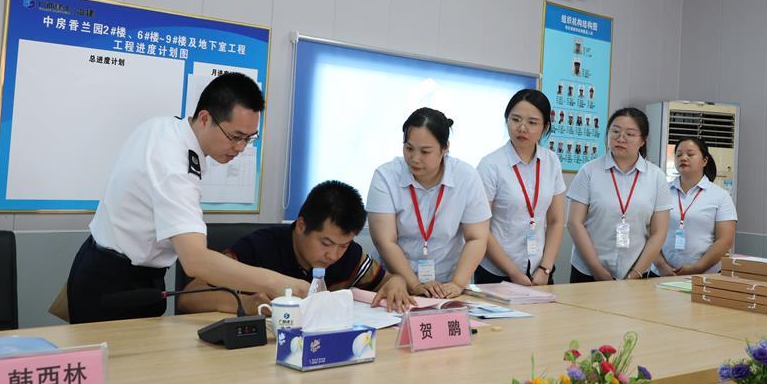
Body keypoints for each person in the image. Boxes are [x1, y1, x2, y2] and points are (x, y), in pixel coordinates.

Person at [66, 72, 299, 324]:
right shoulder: (174, 166)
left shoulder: (165, 127)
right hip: (117, 283)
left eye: (249, 138)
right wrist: (278, 283)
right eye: (235, 137)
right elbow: (196, 261)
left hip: (108, 264)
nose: (241, 148)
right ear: (205, 118)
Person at [178, 181, 416, 314]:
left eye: (343, 245)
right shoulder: (258, 248)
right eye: (325, 243)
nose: (333, 255)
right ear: (301, 225)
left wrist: (397, 282)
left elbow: (387, 281)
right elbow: (188, 298)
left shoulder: (350, 256)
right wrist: (245, 305)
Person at [367, 108, 490, 299]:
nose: (415, 158)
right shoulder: (386, 176)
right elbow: (385, 241)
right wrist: (415, 285)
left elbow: (477, 237)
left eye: (425, 151)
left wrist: (457, 284)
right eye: (409, 148)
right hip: (395, 284)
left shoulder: (466, 177)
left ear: (445, 148)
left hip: (447, 283)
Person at [567, 107, 671, 282]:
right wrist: (596, 269)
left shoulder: (656, 177)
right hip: (588, 271)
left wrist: (636, 273)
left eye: (630, 134)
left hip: (636, 272)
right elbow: (574, 222)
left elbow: (658, 232)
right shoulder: (589, 171)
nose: (620, 138)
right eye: (615, 131)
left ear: (642, 140)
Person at [475, 89, 566, 285]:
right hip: (496, 272)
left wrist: (545, 268)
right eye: (515, 119)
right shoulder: (491, 165)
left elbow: (556, 220)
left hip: (539, 271)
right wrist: (514, 273)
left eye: (532, 122)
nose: (522, 128)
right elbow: (481, 228)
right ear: (506, 120)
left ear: (545, 126)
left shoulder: (551, 162)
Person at [652, 137, 737, 276]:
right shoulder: (661, 191)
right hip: (660, 273)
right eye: (679, 154)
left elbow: (725, 240)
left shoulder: (720, 196)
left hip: (704, 275)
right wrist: (661, 265)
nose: (683, 158)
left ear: (704, 161)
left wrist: (698, 267)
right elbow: (648, 232)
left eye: (690, 154)